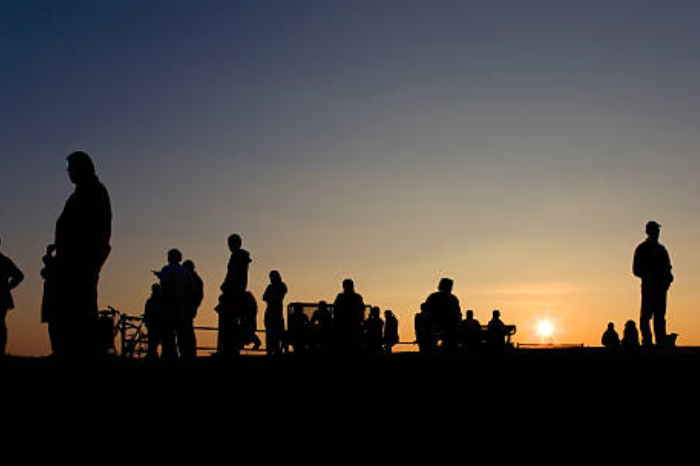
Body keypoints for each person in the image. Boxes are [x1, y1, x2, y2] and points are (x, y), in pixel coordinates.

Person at [43, 151, 112, 358]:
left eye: (72, 169)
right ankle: (66, 350)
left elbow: (96, 231)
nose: (69, 173)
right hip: (70, 259)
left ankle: (78, 352)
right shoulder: (82, 192)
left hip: (80, 262)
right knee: (65, 306)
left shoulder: (94, 192)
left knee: (79, 306)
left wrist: (84, 258)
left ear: (83, 169)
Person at [633, 221, 674, 347]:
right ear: (648, 232)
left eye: (657, 230)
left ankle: (660, 341)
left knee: (659, 316)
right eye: (654, 230)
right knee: (646, 316)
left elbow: (668, 268)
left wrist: (668, 279)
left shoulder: (662, 250)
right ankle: (647, 342)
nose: (657, 233)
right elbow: (636, 270)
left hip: (661, 288)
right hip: (649, 287)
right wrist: (650, 275)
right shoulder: (642, 249)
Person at [156, 248, 193, 360]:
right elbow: (191, 288)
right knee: (182, 334)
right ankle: (185, 357)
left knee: (168, 334)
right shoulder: (185, 272)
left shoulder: (167, 269)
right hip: (182, 306)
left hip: (169, 305)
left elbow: (165, 286)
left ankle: (170, 357)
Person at [421, 278, 461, 353]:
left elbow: (457, 314)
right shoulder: (451, 298)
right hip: (440, 324)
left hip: (445, 325)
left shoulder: (435, 297)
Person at [0, 238, 24, 357]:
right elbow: (19, 276)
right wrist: (8, 288)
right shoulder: (4, 260)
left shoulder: (3, 260)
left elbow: (19, 275)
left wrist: (8, 287)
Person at [333, 279, 365, 353]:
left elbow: (336, 310)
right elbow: (362, 310)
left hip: (346, 325)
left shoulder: (341, 297)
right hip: (351, 324)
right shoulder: (357, 297)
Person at [182, 260, 204, 360]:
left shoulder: (193, 279)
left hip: (188, 308)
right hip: (190, 307)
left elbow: (197, 296)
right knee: (187, 331)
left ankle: (188, 353)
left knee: (187, 331)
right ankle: (189, 353)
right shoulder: (196, 279)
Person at [263, 270, 287, 356]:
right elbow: (264, 297)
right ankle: (270, 351)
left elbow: (278, 296)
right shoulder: (270, 287)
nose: (271, 279)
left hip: (277, 314)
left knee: (279, 333)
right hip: (269, 314)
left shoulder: (282, 286)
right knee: (270, 334)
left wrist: (271, 297)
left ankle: (278, 350)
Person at [143, 283, 165, 360]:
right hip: (158, 324)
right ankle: (154, 356)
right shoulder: (161, 301)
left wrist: (146, 321)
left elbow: (146, 312)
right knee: (157, 341)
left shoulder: (150, 301)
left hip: (153, 324)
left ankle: (152, 356)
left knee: (152, 342)